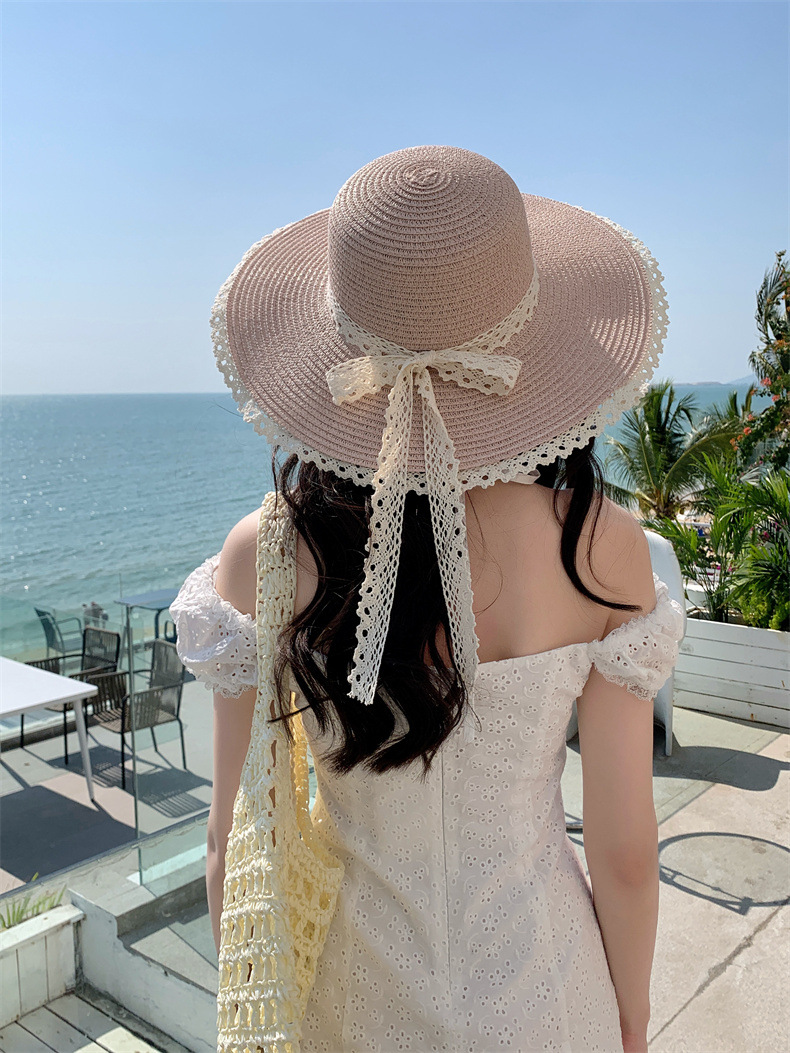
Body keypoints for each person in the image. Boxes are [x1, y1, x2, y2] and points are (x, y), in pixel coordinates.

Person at [171, 146, 685, 1053]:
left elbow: (233, 844)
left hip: (348, 1009)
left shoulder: (266, 554)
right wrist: (632, 1021)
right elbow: (626, 853)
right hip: (550, 997)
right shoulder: (602, 546)